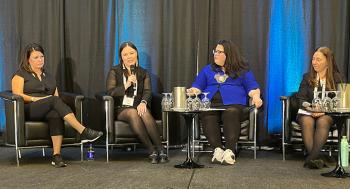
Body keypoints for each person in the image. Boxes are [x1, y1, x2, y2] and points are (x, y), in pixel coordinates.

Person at [12, 43, 103, 167]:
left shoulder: (48, 76)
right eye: (36, 57)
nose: (40, 60)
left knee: (55, 113)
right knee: (53, 100)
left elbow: (56, 95)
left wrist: (53, 102)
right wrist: (34, 98)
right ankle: (83, 131)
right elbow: (17, 94)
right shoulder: (20, 74)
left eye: (42, 57)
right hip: (29, 109)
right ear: (28, 59)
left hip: (48, 107)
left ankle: (57, 156)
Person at [187, 40, 263, 165]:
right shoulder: (208, 69)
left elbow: (252, 87)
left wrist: (256, 97)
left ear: (228, 54)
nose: (215, 54)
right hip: (212, 104)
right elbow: (198, 86)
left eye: (219, 52)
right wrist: (192, 91)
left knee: (230, 113)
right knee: (207, 114)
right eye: (215, 51)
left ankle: (229, 151)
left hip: (235, 105)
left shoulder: (242, 69)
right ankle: (217, 150)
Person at [106, 41, 167, 164]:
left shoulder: (143, 72)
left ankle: (161, 149)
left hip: (138, 105)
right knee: (133, 113)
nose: (129, 57)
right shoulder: (114, 71)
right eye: (125, 54)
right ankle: (151, 150)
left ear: (136, 54)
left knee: (143, 112)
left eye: (131, 53)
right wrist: (127, 84)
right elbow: (110, 92)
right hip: (122, 108)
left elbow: (148, 91)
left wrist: (144, 102)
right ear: (121, 57)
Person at [295, 47, 344, 169]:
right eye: (313, 59)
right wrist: (311, 107)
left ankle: (311, 159)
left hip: (328, 114)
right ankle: (318, 157)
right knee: (307, 121)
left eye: (318, 60)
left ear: (328, 61)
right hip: (307, 112)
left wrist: (323, 110)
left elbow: (340, 101)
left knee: (323, 120)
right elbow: (301, 99)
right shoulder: (307, 77)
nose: (314, 62)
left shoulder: (337, 78)